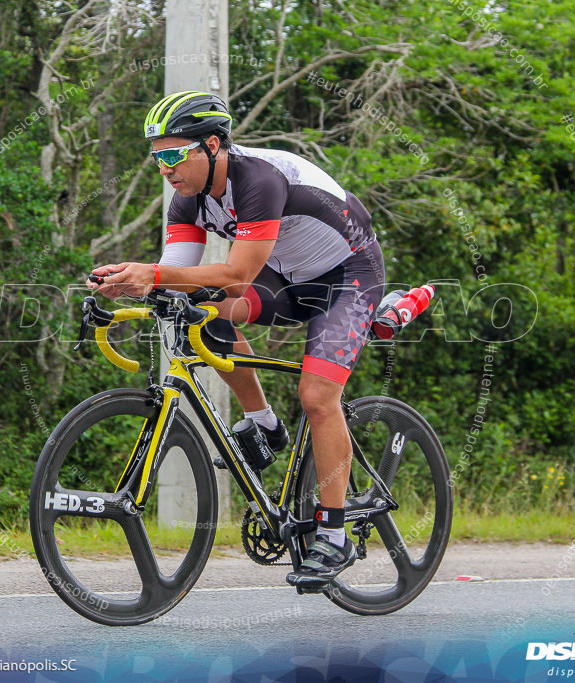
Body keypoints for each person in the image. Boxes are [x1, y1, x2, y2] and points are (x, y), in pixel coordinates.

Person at [89, 90, 385, 589]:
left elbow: (238, 271)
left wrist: (153, 274)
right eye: (156, 155)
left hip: (348, 277)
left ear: (211, 144)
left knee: (317, 397)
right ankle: (263, 424)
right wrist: (129, 284)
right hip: (288, 276)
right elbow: (180, 272)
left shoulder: (259, 180)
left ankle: (334, 535)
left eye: (172, 153)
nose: (164, 167)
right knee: (201, 312)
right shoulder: (187, 200)